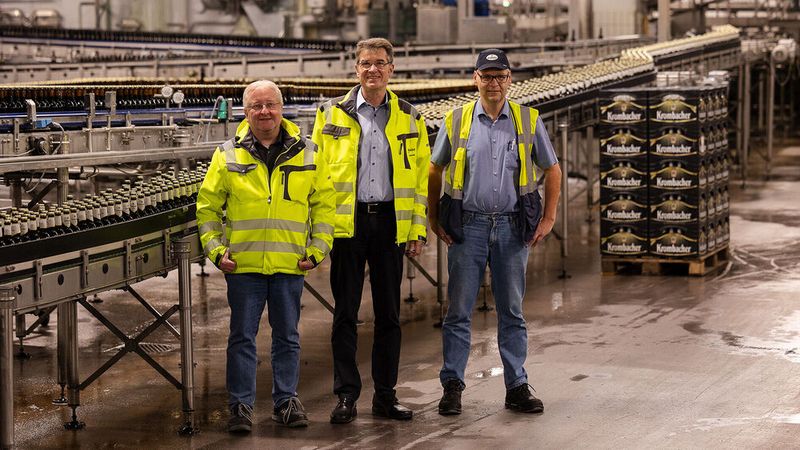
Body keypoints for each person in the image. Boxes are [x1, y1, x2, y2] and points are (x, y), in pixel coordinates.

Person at [427, 49, 562, 416]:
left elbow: (552, 170)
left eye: (500, 75)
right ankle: (452, 385)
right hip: (467, 227)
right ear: (475, 79)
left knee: (512, 311)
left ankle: (516, 385)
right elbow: (434, 170)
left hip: (511, 227)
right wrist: (434, 216)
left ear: (509, 79)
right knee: (457, 312)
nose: (493, 83)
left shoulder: (527, 119)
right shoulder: (455, 121)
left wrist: (548, 218)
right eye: (486, 76)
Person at [196, 80, 336, 433]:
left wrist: (318, 249)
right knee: (242, 336)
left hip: (290, 263)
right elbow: (207, 208)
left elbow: (324, 206)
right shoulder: (227, 153)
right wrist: (215, 250)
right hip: (244, 266)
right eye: (256, 106)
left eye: (270, 104)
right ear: (245, 112)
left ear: (281, 107)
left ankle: (285, 400)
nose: (264, 112)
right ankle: (240, 406)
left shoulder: (308, 152)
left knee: (287, 336)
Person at [311, 37, 430, 424]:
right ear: (356, 68)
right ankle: (346, 395)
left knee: (389, 315)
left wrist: (417, 230)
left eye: (380, 63)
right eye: (366, 63)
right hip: (348, 224)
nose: (373, 70)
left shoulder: (410, 117)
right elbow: (316, 176)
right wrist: (319, 231)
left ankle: (385, 395)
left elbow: (419, 182)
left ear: (392, 69)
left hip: (390, 224)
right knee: (344, 313)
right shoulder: (330, 114)